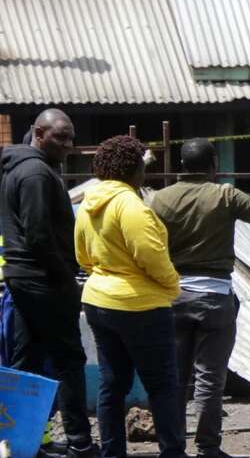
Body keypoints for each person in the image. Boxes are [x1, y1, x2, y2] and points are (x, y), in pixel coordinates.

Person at [150, 136, 250, 458]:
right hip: (214, 300)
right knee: (209, 380)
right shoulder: (225, 196)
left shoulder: (158, 201)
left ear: (182, 165)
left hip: (171, 298)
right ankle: (208, 448)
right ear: (214, 165)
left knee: (173, 380)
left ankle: (171, 448)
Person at [75, 135, 183, 458]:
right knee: (162, 384)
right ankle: (173, 452)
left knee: (112, 383)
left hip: (98, 301)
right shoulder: (131, 206)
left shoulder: (87, 204)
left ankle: (112, 452)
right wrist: (172, 285)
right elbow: (152, 256)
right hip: (141, 306)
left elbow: (82, 256)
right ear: (134, 169)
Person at [0, 109, 97, 457]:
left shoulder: (20, 168)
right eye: (60, 137)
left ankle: (22, 442)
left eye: (71, 137)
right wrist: (65, 279)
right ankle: (80, 442)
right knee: (69, 360)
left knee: (27, 364)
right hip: (43, 280)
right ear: (38, 134)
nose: (68, 145)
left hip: (24, 278)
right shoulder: (36, 173)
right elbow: (38, 235)